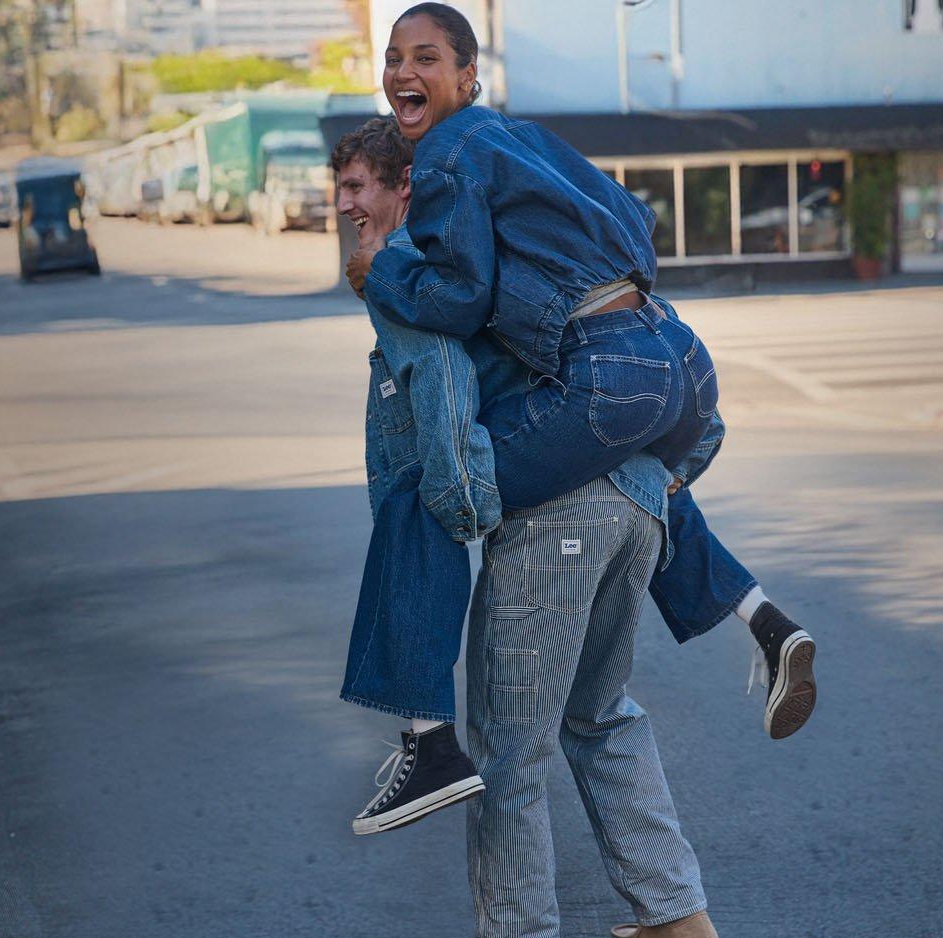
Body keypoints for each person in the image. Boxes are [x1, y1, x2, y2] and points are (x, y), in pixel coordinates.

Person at [338, 4, 818, 837]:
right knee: (630, 472)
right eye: (392, 58)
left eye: (424, 58)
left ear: (465, 77)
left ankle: (429, 741)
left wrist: (382, 274)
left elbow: (457, 300)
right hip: (670, 353)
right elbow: (639, 222)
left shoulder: (447, 150)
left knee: (422, 500)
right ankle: (767, 623)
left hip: (602, 364)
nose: (402, 72)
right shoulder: (524, 139)